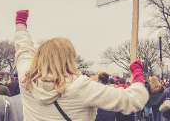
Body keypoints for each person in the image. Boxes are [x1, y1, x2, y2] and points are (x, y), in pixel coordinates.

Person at [14, 10, 149, 120]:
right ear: (69, 59)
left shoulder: (26, 79)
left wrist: (20, 25)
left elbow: (23, 49)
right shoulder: (79, 87)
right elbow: (133, 100)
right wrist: (137, 74)